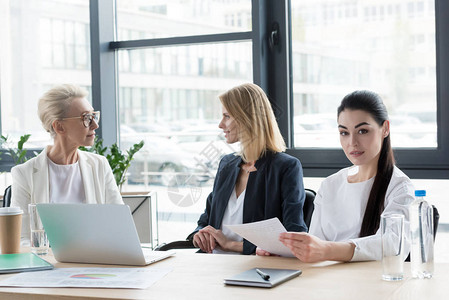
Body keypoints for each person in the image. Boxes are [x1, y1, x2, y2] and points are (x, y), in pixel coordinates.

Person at [266, 90, 414, 262]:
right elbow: (316, 243)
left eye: (363, 131)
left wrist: (328, 250)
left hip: (372, 284)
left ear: (385, 129)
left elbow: (393, 244)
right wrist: (286, 250)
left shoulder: (399, 186)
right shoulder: (330, 184)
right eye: (344, 133)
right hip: (327, 282)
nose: (352, 142)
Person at [190, 83, 308, 255]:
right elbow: (207, 218)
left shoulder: (285, 167)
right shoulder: (227, 164)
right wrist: (199, 234)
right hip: (213, 263)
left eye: (227, 116)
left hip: (257, 268)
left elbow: (294, 238)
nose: (220, 125)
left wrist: (230, 245)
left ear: (248, 118)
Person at [11, 84, 123, 242]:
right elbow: (21, 239)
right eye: (86, 118)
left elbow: (119, 225)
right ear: (59, 126)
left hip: (96, 262)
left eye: (94, 116)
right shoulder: (24, 173)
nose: (95, 125)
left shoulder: (99, 165)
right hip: (48, 264)